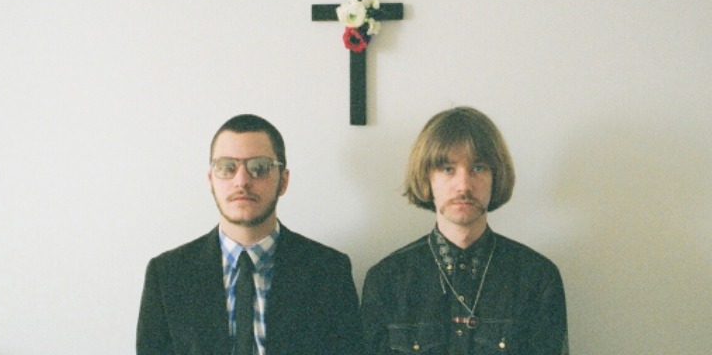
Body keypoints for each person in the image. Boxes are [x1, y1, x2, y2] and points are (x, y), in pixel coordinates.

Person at [137, 114, 361, 354]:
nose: (242, 181)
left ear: (283, 181)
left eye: (259, 167)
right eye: (227, 167)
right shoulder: (168, 275)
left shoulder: (328, 271)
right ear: (211, 181)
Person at [361, 106, 568, 355]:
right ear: (427, 178)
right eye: (447, 169)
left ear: (496, 176)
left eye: (478, 168)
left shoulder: (537, 278)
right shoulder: (387, 280)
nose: (464, 185)